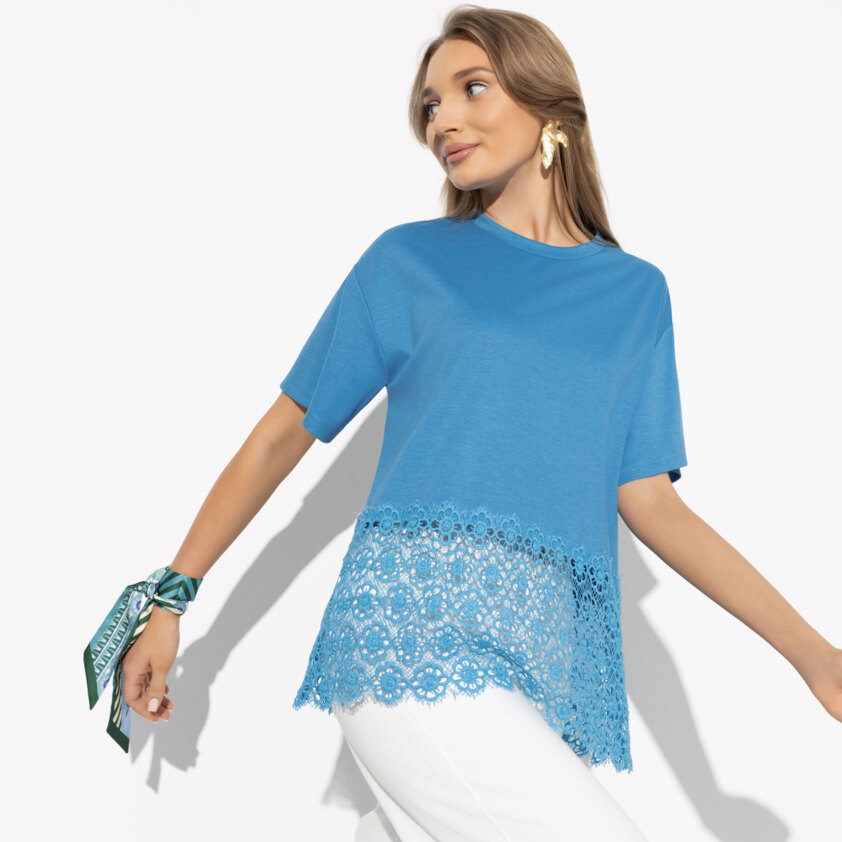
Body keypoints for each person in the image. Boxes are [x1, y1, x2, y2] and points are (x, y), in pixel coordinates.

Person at [110, 5, 842, 840]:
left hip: (535, 669)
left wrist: (814, 655)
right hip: (408, 643)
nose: (443, 121)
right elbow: (281, 434)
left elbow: (652, 504)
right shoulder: (409, 264)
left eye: (472, 88)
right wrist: (171, 596)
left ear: (549, 104)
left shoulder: (636, 295)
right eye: (430, 105)